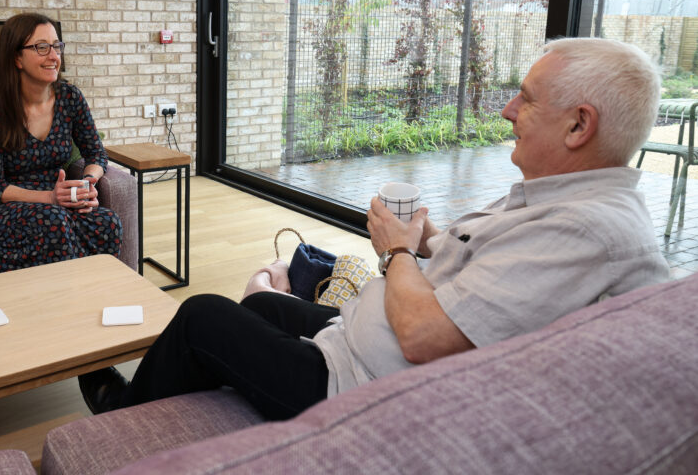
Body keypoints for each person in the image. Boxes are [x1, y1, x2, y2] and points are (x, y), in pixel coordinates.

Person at [79, 37, 669, 421]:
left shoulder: (590, 232)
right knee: (260, 307)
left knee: (203, 313)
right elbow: (483, 275)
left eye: (527, 98)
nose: (507, 110)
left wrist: (396, 253)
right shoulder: (557, 200)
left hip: (359, 389)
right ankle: (175, 409)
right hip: (356, 339)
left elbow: (423, 338)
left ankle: (120, 413)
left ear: (578, 126)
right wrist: (431, 238)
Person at [0, 13, 122, 275]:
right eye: (41, 47)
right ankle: (63, 301)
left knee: (106, 222)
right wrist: (50, 199)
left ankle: (96, 297)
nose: (54, 56)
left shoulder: (70, 98)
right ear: (16, 57)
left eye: (57, 46)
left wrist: (86, 186)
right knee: (52, 221)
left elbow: (95, 153)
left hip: (54, 201)